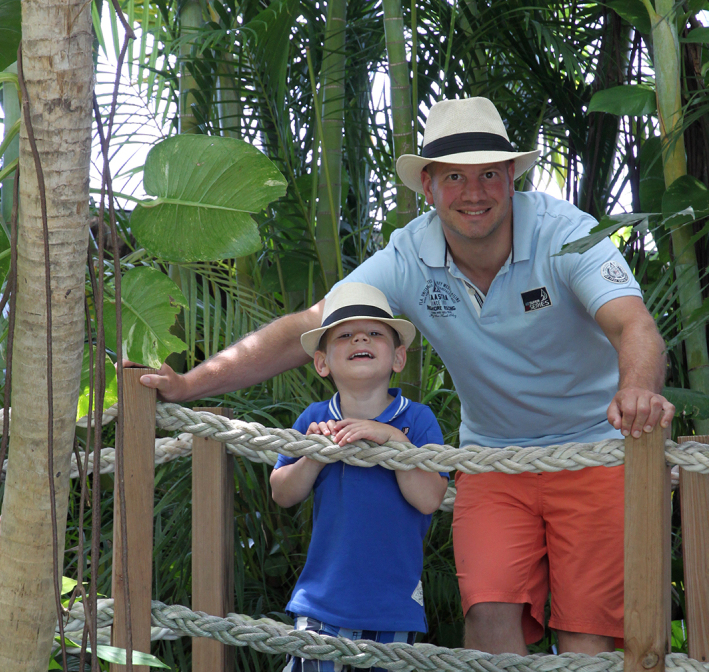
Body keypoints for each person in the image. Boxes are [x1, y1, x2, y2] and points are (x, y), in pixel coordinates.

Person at [139, 97, 674, 655]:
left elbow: (633, 325)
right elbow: (309, 325)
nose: (474, 192)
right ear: (428, 186)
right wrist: (187, 385)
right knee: (489, 622)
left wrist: (636, 388)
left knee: (587, 638)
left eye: (490, 173)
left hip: (594, 448)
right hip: (491, 458)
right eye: (454, 177)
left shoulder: (566, 232)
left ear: (512, 176)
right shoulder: (409, 254)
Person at [269, 282, 448, 672]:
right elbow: (282, 492)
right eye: (345, 335)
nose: (360, 338)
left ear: (398, 357)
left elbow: (429, 498)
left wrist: (396, 441)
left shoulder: (416, 420)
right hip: (321, 603)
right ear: (322, 363)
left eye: (375, 333)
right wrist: (316, 456)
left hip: (392, 607)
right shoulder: (313, 419)